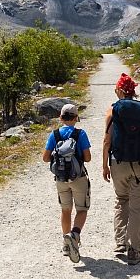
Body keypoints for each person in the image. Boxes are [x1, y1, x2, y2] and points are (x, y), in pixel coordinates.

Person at [102, 73, 140, 265]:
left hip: (118, 163)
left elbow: (107, 141)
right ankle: (134, 250)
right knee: (137, 207)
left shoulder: (112, 110)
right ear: (133, 91)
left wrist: (105, 165)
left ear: (119, 90)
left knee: (121, 200)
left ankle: (120, 243)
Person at [42, 103, 92, 263]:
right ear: (76, 117)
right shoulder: (80, 134)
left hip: (61, 179)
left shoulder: (54, 134)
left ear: (61, 117)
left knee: (65, 210)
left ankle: (65, 245)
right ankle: (74, 235)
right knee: (82, 209)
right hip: (78, 178)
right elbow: (88, 157)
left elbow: (45, 158)